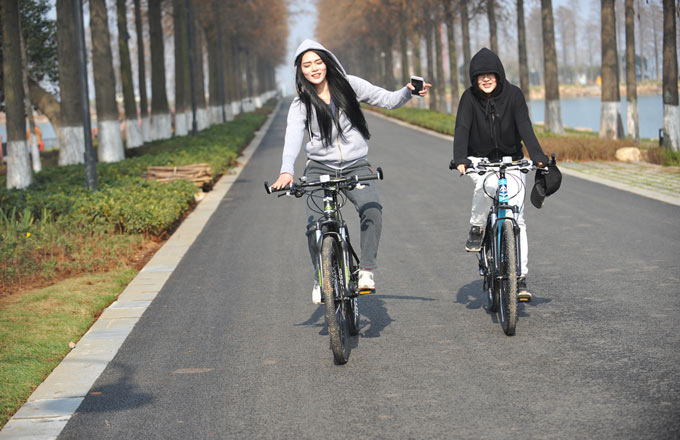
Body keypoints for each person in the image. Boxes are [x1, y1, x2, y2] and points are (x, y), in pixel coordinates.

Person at [270, 39, 430, 304]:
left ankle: (366, 270)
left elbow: (387, 100)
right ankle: (321, 277)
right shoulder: (300, 104)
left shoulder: (350, 85)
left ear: (327, 62)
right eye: (307, 65)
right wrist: (287, 171)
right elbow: (292, 138)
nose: (314, 68)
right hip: (319, 168)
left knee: (372, 209)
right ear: (300, 71)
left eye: (318, 62)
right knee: (314, 226)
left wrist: (408, 91)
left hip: (356, 164)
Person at [450, 47, 547, 301]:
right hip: (479, 160)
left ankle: (520, 277)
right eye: (480, 75)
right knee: (488, 187)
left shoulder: (514, 95)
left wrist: (537, 155)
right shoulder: (468, 98)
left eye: (490, 74)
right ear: (474, 78)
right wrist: (460, 158)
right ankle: (477, 226)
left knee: (517, 217)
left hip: (512, 160)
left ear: (499, 75)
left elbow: (524, 126)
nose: (485, 79)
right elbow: (462, 127)